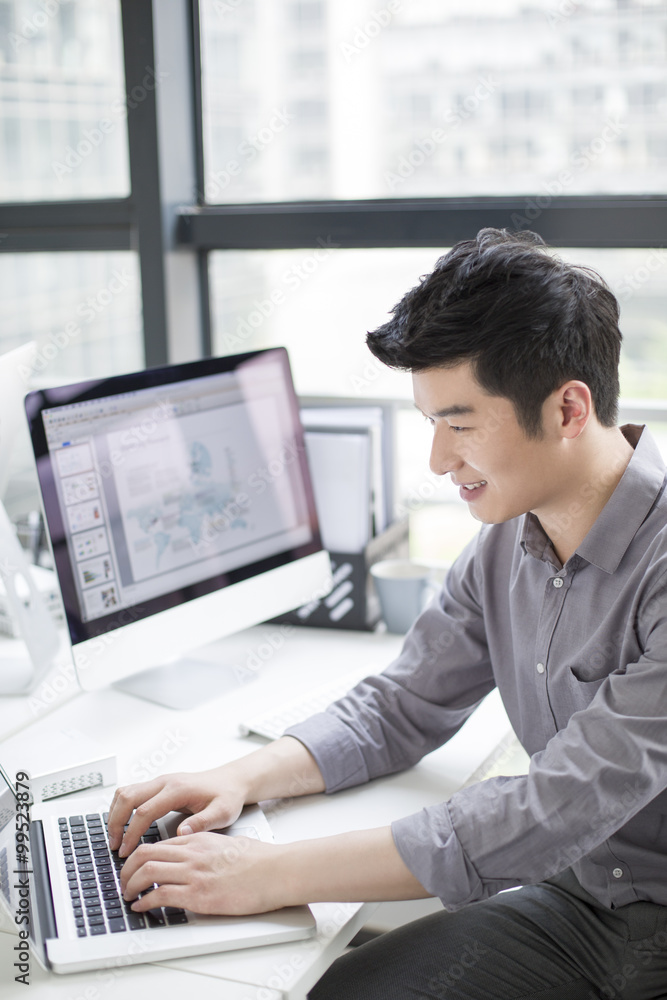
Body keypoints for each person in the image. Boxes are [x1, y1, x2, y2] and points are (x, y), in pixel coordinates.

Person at [107, 229, 667, 999]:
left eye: (461, 424)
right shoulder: (507, 541)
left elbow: (551, 807)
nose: (438, 460)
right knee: (345, 989)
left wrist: (265, 873)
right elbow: (403, 704)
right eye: (430, 423)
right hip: (582, 906)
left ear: (568, 407)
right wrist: (240, 778)